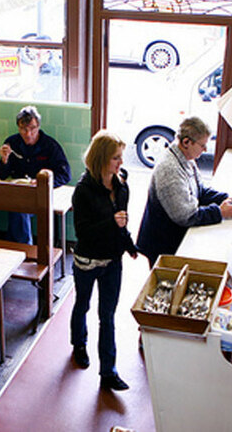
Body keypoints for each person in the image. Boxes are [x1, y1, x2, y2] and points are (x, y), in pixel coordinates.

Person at [70, 130, 139, 391]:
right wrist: (111, 223)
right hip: (87, 260)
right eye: (115, 158)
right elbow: (83, 233)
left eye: (121, 157)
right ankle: (79, 343)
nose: (121, 163)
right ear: (100, 159)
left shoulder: (121, 187)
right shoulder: (83, 191)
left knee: (107, 315)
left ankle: (108, 371)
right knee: (82, 305)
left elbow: (121, 223)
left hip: (112, 260)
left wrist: (129, 244)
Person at [136, 117, 232, 264]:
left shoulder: (187, 158)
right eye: (202, 145)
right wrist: (220, 212)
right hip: (163, 244)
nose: (205, 150)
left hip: (174, 236)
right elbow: (185, 216)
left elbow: (199, 190)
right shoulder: (169, 170)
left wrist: (226, 199)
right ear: (186, 142)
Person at [0, 106, 71, 244]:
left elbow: (65, 174)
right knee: (18, 206)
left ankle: (30, 248)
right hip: (20, 192)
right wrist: (4, 160)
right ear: (18, 128)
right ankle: (22, 247)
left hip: (43, 192)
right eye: (24, 129)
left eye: (32, 129)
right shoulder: (12, 143)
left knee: (24, 208)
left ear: (39, 127)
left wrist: (44, 182)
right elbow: (2, 175)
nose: (28, 134)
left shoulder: (50, 145)